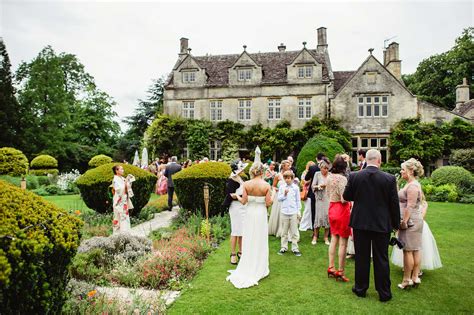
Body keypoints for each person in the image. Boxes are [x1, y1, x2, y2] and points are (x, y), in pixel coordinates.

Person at [343, 149, 400, 302]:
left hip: (361, 223)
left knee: (361, 257)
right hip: (381, 224)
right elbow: (394, 204)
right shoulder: (389, 179)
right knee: (381, 258)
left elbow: (346, 196)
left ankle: (360, 289)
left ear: (366, 160)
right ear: (380, 161)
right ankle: (384, 293)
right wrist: (396, 224)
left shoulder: (354, 176)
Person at [227, 149, 272, 289]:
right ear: (261, 172)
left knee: (249, 237)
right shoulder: (266, 185)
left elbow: (244, 202)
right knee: (259, 237)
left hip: (249, 213)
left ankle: (247, 261)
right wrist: (274, 195)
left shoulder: (246, 184)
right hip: (260, 214)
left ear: (253, 171)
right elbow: (268, 203)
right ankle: (259, 265)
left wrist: (238, 197)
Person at [390, 195, 442, 272]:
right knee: (406, 247)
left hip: (419, 226)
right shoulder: (407, 203)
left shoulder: (423, 203)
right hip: (408, 224)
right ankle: (407, 266)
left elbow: (422, 216)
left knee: (418, 248)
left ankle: (417, 269)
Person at [396, 158, 425, 289]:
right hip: (415, 221)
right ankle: (415, 277)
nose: (401, 171)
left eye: (403, 169)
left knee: (408, 251)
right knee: (416, 249)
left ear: (411, 171)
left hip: (411, 222)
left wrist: (404, 222)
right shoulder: (411, 183)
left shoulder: (413, 186)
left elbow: (410, 206)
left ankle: (407, 279)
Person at [326, 156, 351, 282]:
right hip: (341, 210)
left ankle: (331, 267)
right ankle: (340, 271)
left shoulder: (329, 177)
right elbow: (344, 198)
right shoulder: (342, 179)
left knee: (334, 238)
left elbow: (327, 194)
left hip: (331, 208)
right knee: (343, 242)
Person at [222, 160, 248, 265]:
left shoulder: (240, 178)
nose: (243, 171)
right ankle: (233, 254)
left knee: (242, 231)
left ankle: (241, 252)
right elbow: (229, 195)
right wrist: (239, 197)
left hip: (243, 206)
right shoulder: (231, 180)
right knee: (235, 231)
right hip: (236, 208)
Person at [277, 171, 302, 256]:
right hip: (284, 212)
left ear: (292, 178)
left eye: (289, 178)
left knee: (294, 231)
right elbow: (279, 198)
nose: (287, 180)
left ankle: (295, 248)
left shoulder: (295, 188)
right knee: (284, 231)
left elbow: (298, 200)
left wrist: (298, 211)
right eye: (286, 178)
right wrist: (284, 194)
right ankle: (283, 247)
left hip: (293, 212)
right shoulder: (282, 187)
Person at [268, 160, 291, 236]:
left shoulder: (290, 175)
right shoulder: (278, 175)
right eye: (288, 165)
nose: (289, 167)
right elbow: (273, 186)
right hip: (279, 196)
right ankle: (278, 228)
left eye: (289, 165)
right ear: (283, 166)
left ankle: (286, 230)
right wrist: (278, 189)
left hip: (288, 196)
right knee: (279, 212)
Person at [311, 157, 331, 245]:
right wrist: (319, 186)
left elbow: (332, 186)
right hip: (319, 198)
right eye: (324, 168)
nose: (326, 170)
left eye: (327, 168)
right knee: (318, 216)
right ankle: (315, 236)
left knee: (327, 216)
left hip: (328, 198)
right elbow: (313, 186)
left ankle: (326, 237)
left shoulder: (330, 175)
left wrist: (327, 186)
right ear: (321, 167)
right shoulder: (317, 174)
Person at [305, 153, 325, 229]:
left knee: (314, 211)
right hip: (324, 192)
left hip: (314, 192)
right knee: (325, 210)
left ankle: (314, 230)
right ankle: (328, 230)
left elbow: (306, 178)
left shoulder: (312, 167)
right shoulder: (328, 167)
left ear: (316, 159)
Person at [111, 165, 131, 234]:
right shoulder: (115, 179)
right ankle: (118, 234)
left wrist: (129, 182)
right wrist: (126, 183)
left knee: (124, 216)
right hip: (119, 201)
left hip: (123, 200)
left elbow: (126, 187)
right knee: (118, 216)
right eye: (121, 169)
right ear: (117, 171)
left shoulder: (122, 178)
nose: (123, 170)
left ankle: (126, 232)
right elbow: (119, 190)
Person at [299, 161, 315, 232]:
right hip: (307, 192)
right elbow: (303, 182)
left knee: (310, 210)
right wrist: (310, 180)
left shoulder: (311, 173)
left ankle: (309, 225)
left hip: (311, 192)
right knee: (307, 210)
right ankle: (303, 225)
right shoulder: (305, 173)